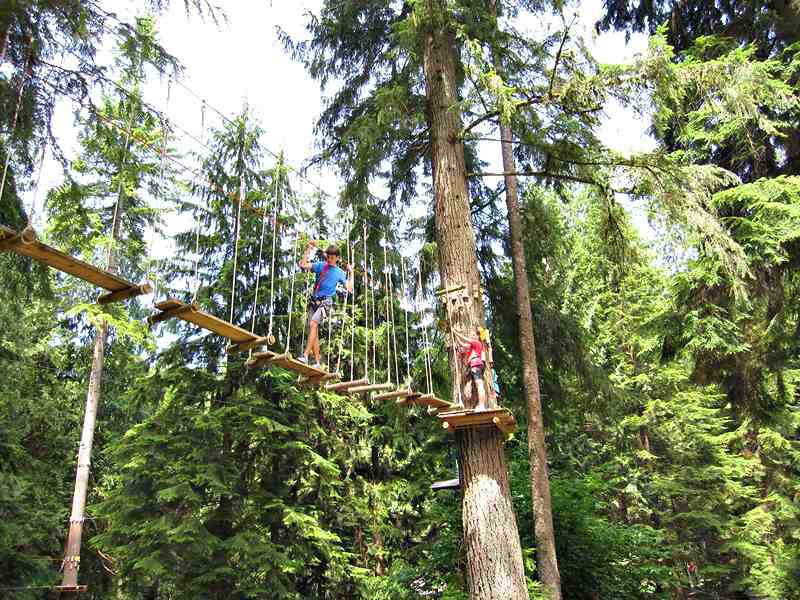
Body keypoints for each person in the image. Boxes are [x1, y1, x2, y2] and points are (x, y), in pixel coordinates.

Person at [297, 241, 354, 369]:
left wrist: (351, 272)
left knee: (313, 324)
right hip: (314, 301)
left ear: (337, 258)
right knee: (314, 330)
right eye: (328, 257)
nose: (329, 260)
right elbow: (303, 264)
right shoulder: (321, 265)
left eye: (332, 258)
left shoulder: (339, 272)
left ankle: (305, 355)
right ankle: (317, 363)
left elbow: (349, 288)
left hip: (326, 303)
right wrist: (309, 248)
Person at [453, 326, 488, 411]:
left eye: (473, 335)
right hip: (472, 366)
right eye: (471, 335)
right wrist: (455, 335)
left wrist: (456, 332)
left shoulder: (477, 343)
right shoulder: (472, 347)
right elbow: (462, 344)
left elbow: (465, 339)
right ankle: (476, 405)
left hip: (476, 364)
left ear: (477, 337)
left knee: (479, 384)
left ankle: (482, 405)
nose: (471, 337)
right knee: (472, 384)